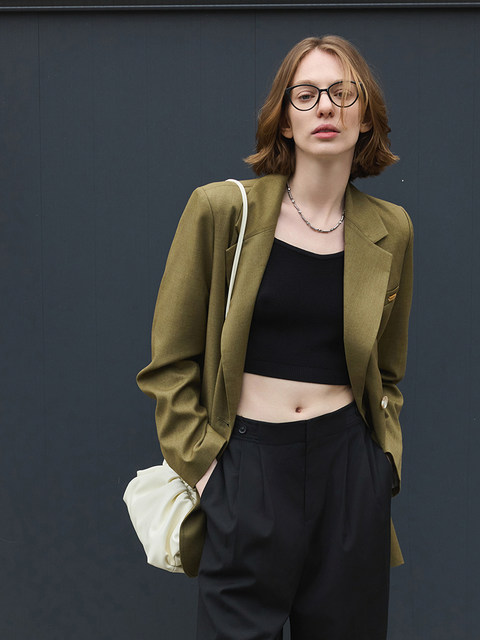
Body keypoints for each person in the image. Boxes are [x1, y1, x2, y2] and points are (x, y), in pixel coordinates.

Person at [137, 34, 413, 640]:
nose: (326, 106)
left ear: (365, 116)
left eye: (343, 93)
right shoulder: (222, 211)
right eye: (306, 94)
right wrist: (208, 470)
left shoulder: (391, 229)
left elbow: (388, 370)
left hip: (350, 472)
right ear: (284, 120)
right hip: (247, 467)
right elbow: (169, 364)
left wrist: (382, 465)